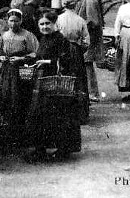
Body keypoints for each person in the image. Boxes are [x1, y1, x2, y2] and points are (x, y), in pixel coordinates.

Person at [27, 10, 83, 161]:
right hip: (44, 82)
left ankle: (62, 149)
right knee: (42, 116)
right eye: (41, 24)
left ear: (54, 24)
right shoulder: (43, 38)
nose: (44, 27)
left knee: (58, 116)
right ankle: (41, 149)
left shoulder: (60, 39)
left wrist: (47, 62)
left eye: (47, 24)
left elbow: (67, 60)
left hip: (57, 84)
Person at [0, 9, 39, 145]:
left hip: (22, 71)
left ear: (21, 21)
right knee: (6, 98)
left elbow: (35, 53)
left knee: (20, 99)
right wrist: (1, 57)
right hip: (7, 71)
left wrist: (21, 58)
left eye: (16, 20)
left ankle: (21, 136)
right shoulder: (4, 35)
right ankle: (8, 135)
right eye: (11, 21)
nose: (13, 24)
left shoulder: (27, 35)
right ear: (7, 21)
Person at [56, 0, 90, 112]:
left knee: (62, 77)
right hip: (76, 50)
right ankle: (80, 110)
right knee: (78, 79)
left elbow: (55, 36)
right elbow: (86, 41)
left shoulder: (58, 19)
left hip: (61, 50)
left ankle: (64, 109)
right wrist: (80, 49)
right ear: (75, 5)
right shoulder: (80, 20)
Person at [76, 0, 105, 102]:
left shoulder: (90, 0)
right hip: (86, 36)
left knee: (88, 65)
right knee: (84, 64)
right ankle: (88, 92)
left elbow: (93, 22)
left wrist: (81, 30)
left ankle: (92, 93)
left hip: (90, 37)